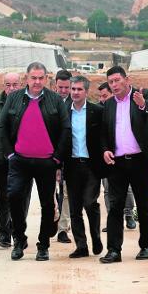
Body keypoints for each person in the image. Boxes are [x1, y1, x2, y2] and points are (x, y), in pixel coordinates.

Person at [0, 62, 71, 261]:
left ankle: (43, 244)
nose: (37, 82)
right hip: (19, 161)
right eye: (33, 78)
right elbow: (2, 127)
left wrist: (56, 157)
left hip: (47, 162)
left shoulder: (55, 100)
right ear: (27, 78)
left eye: (41, 78)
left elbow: (65, 130)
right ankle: (19, 239)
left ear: (46, 79)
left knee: (48, 204)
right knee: (13, 197)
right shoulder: (13, 98)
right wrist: (10, 154)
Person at [99, 66, 148, 263]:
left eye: (117, 80)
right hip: (117, 163)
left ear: (127, 80)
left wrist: (143, 104)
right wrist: (105, 150)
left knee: (144, 206)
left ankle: (145, 246)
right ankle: (113, 250)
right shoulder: (109, 104)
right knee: (115, 207)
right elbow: (103, 132)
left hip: (140, 161)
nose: (114, 85)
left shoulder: (142, 95)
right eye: (111, 82)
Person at [0, 72, 32, 248]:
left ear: (21, 84)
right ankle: (4, 234)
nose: (11, 88)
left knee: (20, 198)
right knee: (1, 198)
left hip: (22, 162)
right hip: (0, 162)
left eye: (15, 85)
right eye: (7, 85)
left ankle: (18, 235)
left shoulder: (29, 102)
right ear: (3, 85)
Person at [64, 75, 105, 258]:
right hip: (71, 165)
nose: (75, 92)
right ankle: (81, 246)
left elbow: (105, 136)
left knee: (90, 203)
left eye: (79, 89)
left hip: (91, 165)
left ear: (86, 92)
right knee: (74, 209)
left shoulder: (97, 111)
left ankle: (95, 237)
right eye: (73, 89)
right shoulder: (64, 111)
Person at [98, 81, 137, 231]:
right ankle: (112, 219)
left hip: (121, 156)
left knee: (126, 188)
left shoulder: (118, 107)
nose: (102, 99)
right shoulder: (100, 109)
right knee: (107, 190)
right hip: (106, 156)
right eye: (100, 96)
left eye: (105, 96)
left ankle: (129, 214)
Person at [54, 69, 73, 244]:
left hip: (68, 156)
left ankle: (62, 229)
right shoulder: (47, 102)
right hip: (48, 156)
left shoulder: (75, 104)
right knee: (49, 193)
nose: (63, 91)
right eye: (60, 87)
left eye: (66, 87)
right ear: (55, 85)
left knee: (66, 194)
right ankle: (52, 221)